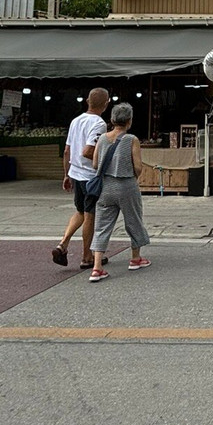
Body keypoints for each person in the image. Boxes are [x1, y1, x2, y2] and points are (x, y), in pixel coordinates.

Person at [87, 101, 151, 282]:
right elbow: (138, 167)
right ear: (129, 121)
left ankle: (97, 267)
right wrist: (132, 176)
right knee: (133, 220)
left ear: (112, 119)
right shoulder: (132, 140)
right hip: (127, 186)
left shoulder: (102, 138)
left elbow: (94, 164)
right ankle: (135, 258)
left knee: (102, 225)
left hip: (106, 187)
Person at [52, 88, 110, 269]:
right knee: (90, 215)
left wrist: (66, 174)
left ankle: (63, 243)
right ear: (107, 104)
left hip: (75, 174)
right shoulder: (99, 124)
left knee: (79, 211)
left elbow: (67, 150)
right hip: (90, 176)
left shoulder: (75, 121)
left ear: (87, 101)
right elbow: (88, 151)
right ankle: (87, 256)